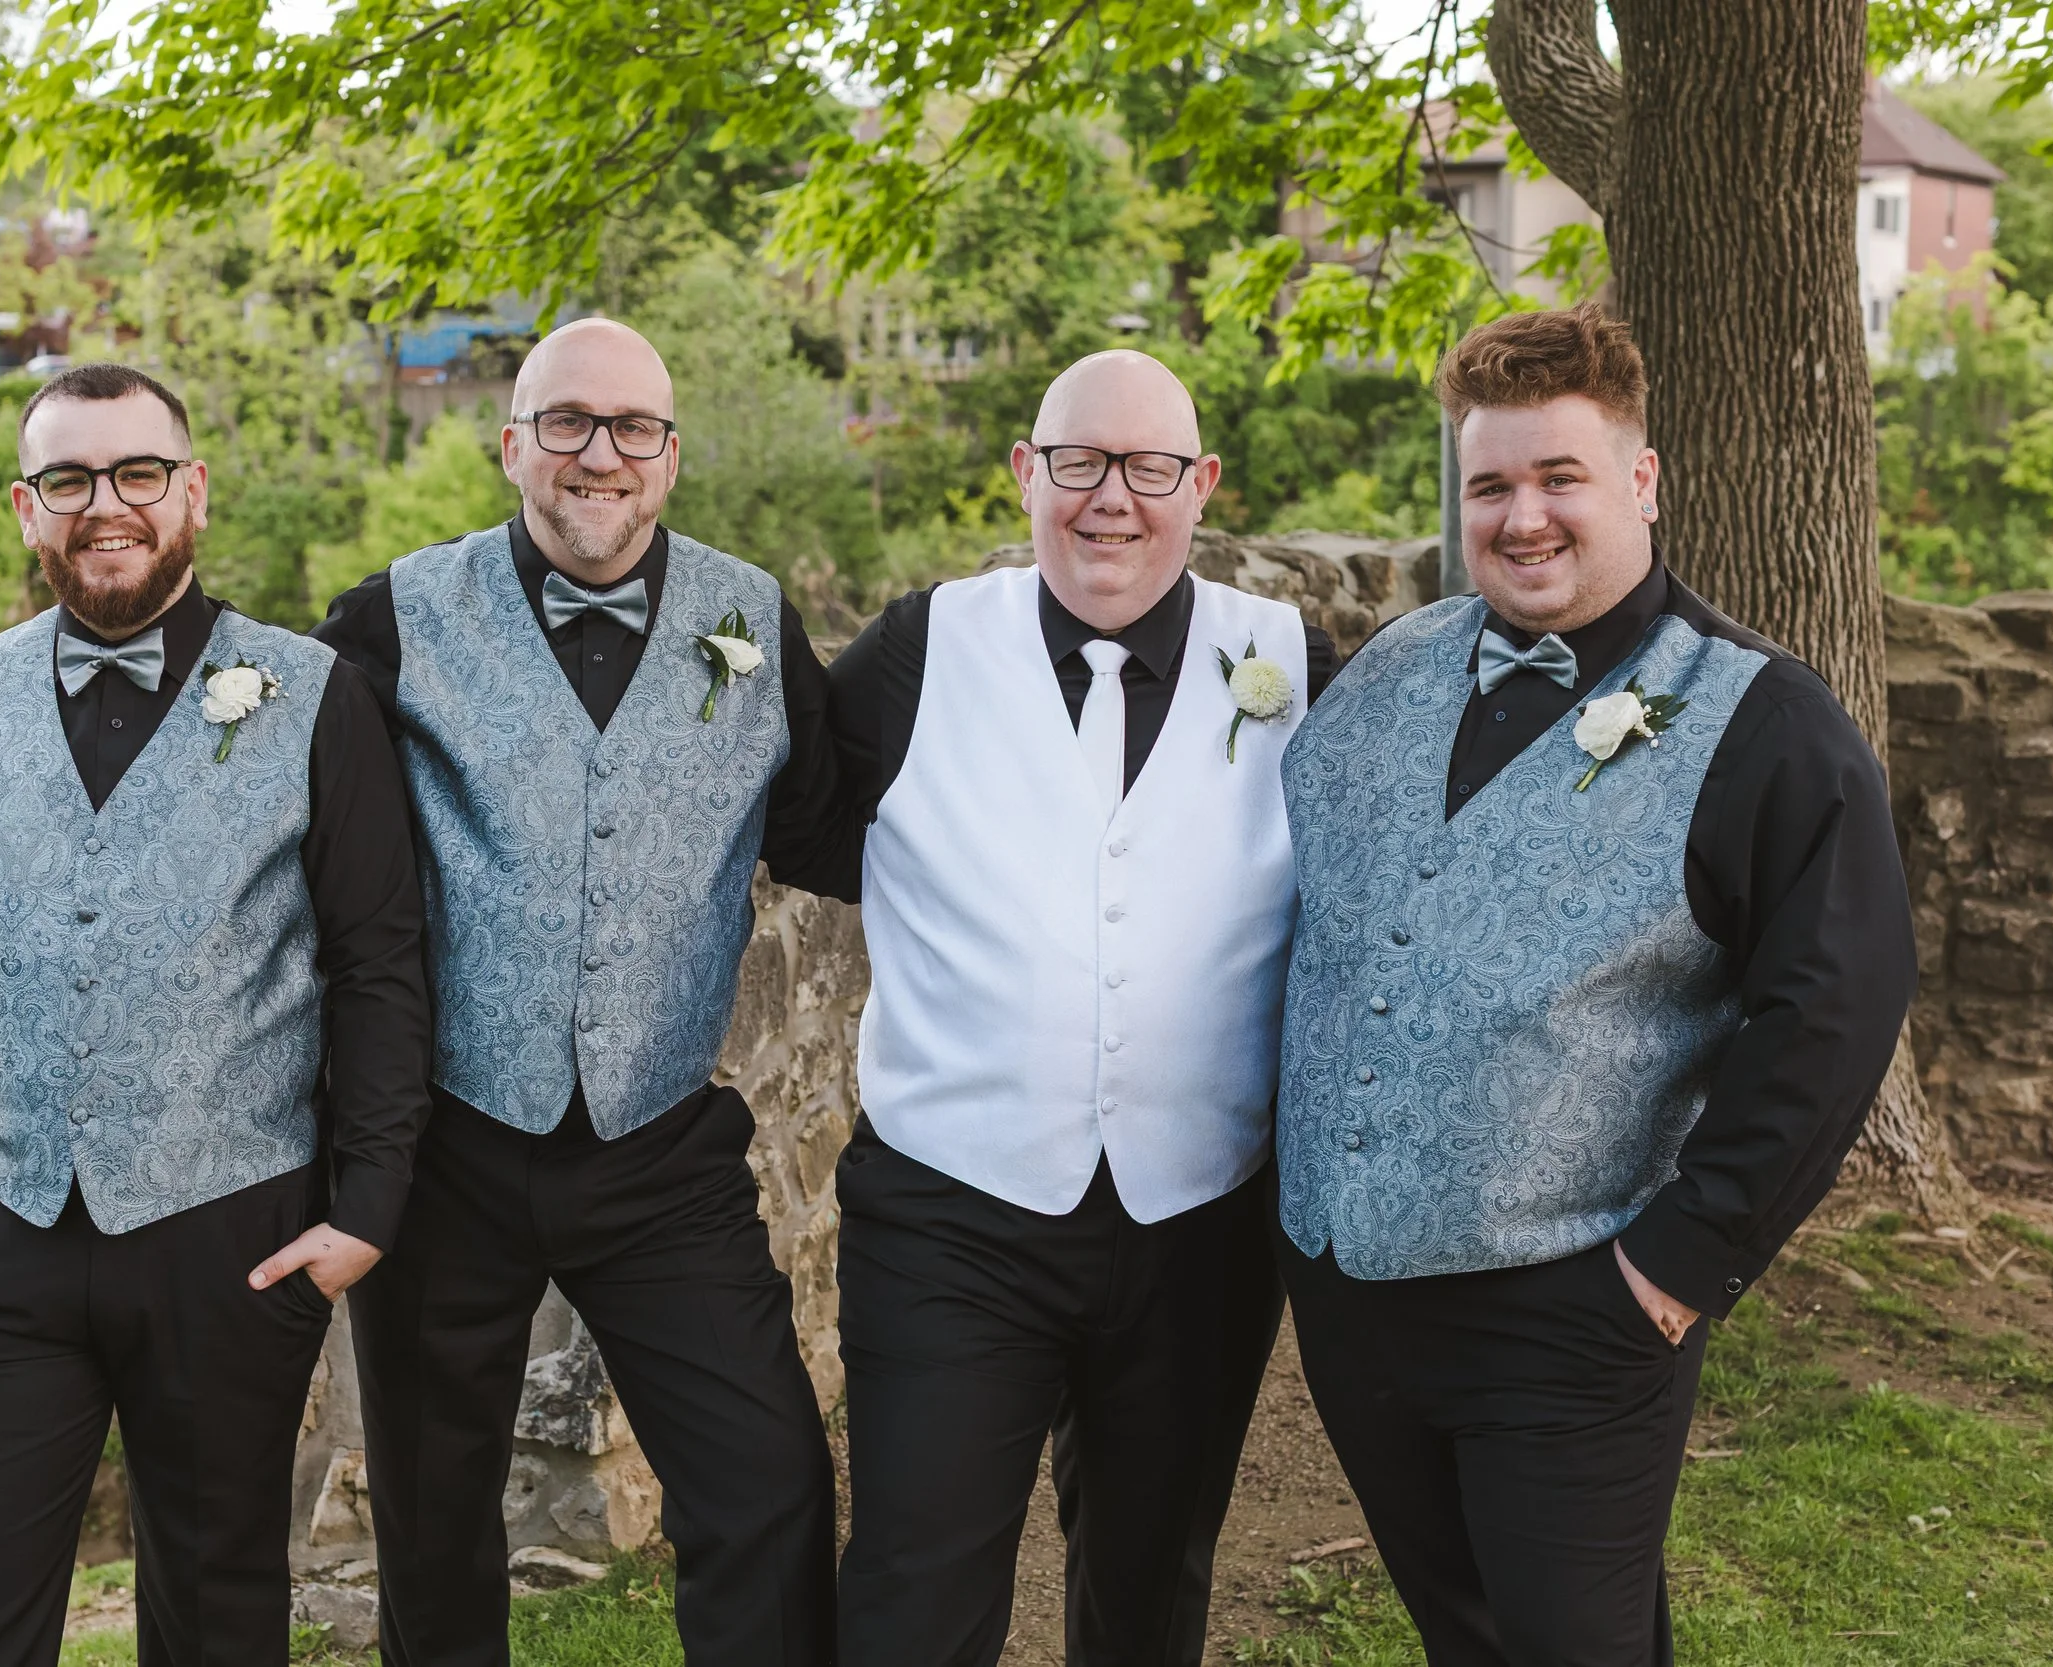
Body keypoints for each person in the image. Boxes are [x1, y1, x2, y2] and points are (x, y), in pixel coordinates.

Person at [1274, 302, 1918, 1665]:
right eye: (1490, 485)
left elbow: (1836, 1004)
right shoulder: (1391, 669)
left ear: (1641, 478)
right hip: (1352, 1290)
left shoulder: (1765, 721)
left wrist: (1677, 1265)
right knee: (1467, 1633)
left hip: (1577, 1305)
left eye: (1559, 477)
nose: (1522, 518)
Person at [0, 363, 433, 1667]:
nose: (105, 504)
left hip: (234, 1232)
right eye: (69, 478)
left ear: (194, 491)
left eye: (137, 472)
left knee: (220, 1620)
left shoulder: (316, 697)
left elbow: (381, 964)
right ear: (25, 506)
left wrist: (365, 1206)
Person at [822, 349, 1335, 1667]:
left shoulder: (1292, 665)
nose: (1114, 498)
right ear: (1026, 474)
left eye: (1150, 467)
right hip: (952, 1217)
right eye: (1079, 463)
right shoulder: (913, 653)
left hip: (1199, 1222)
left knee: (1152, 1580)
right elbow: (782, 827)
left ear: (1201, 485)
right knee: (914, 1591)